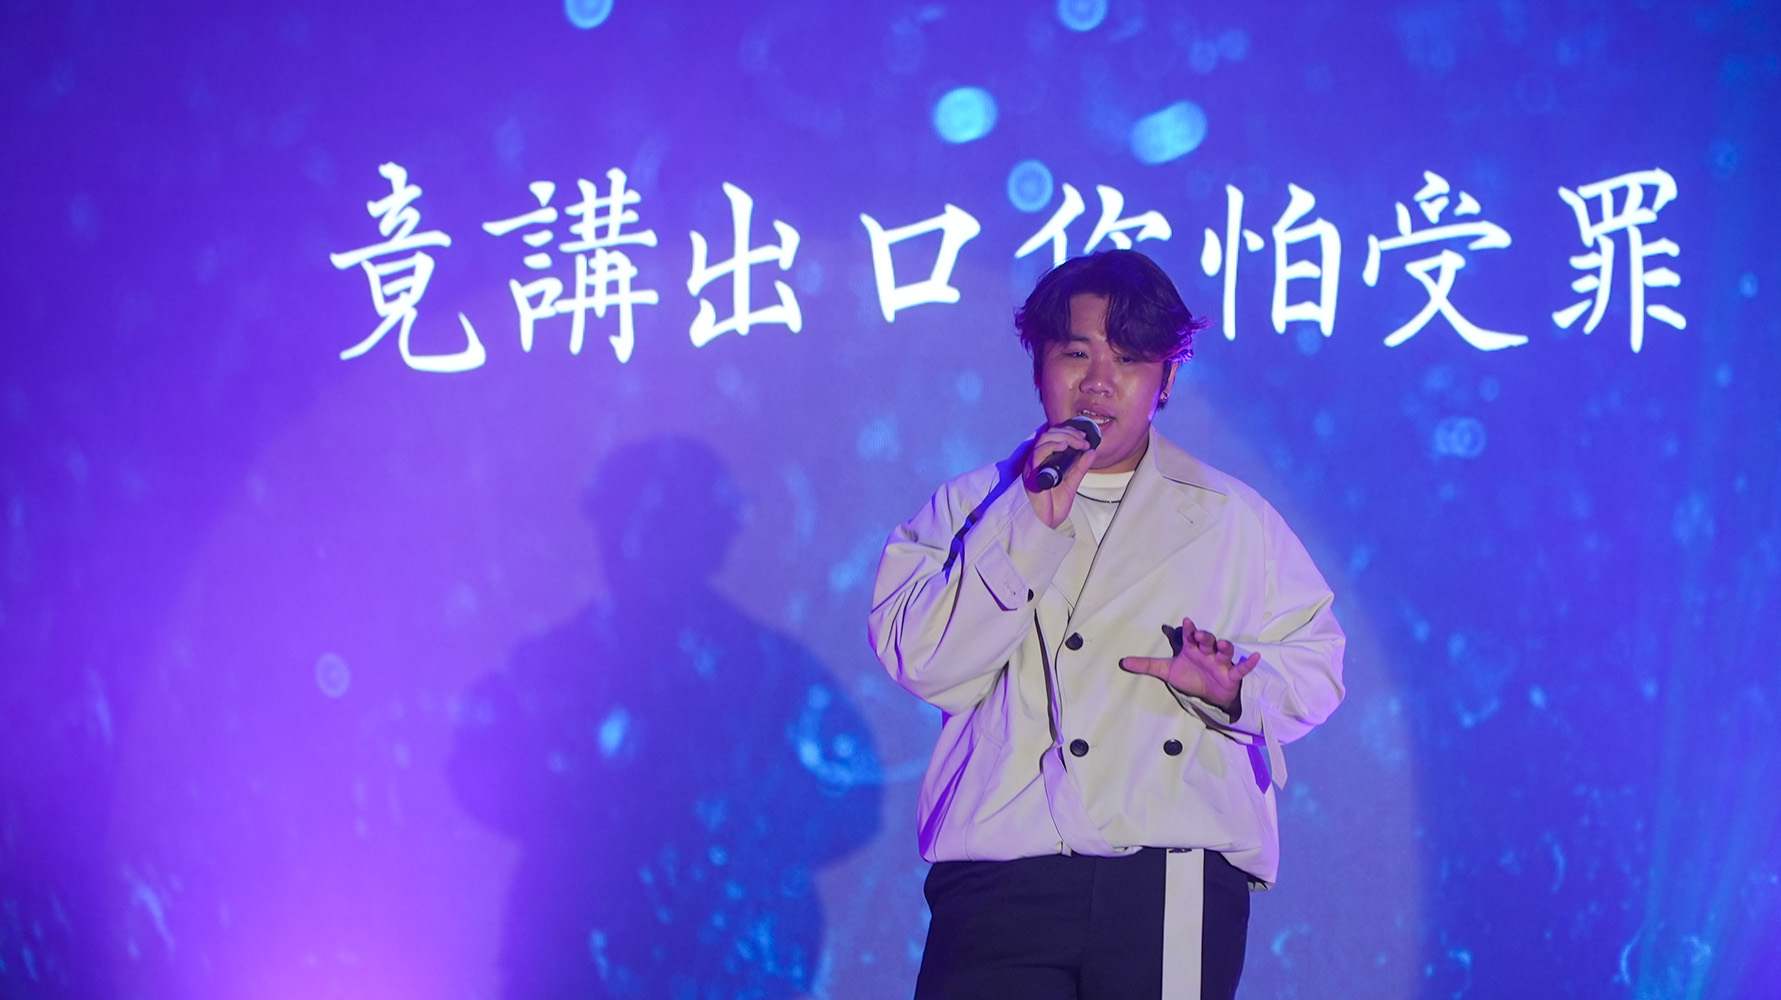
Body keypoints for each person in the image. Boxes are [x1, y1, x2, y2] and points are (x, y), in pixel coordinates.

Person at [868, 249, 1346, 1000]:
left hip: (1172, 870)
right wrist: (1025, 526)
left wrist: (1232, 690)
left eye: (1127, 359)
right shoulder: (970, 506)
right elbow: (925, 663)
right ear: (1038, 366)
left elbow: (1317, 667)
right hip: (1000, 870)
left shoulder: (1232, 517)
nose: (1098, 381)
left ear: (1167, 379)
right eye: (1076, 353)